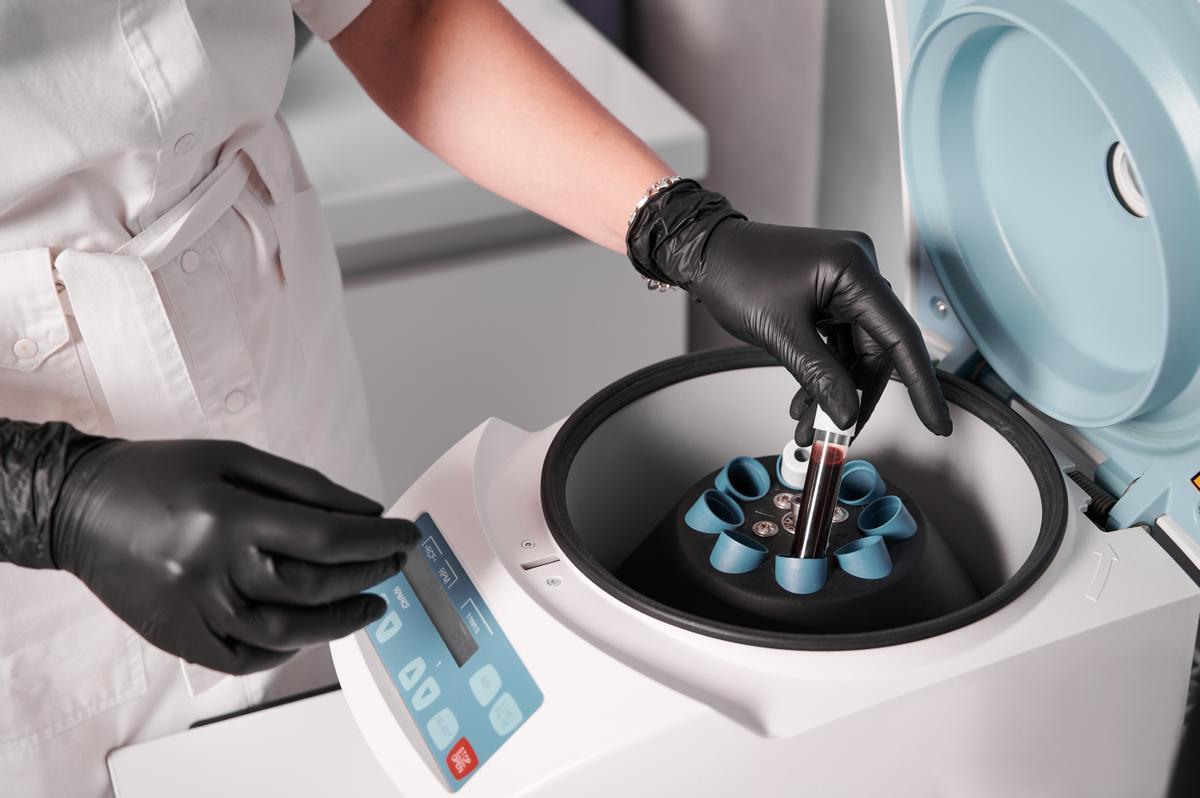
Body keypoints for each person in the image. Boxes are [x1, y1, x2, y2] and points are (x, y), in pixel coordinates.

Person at [0, 1, 951, 795]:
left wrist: (687, 230)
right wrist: (53, 499)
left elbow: (399, 14)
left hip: (260, 327)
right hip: (34, 570)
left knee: (348, 740)